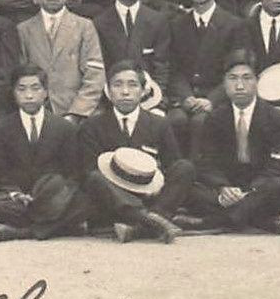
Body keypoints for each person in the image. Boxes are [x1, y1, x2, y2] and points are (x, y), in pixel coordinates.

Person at [0, 64, 90, 240]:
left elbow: (72, 173)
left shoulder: (64, 128)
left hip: (52, 197)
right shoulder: (1, 128)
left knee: (84, 201)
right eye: (21, 89)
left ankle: (24, 231)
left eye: (35, 88)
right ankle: (58, 226)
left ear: (46, 92)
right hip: (16, 200)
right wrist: (15, 193)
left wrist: (53, 195)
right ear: (14, 93)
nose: (29, 95)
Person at [81, 61, 197, 243]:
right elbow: (87, 172)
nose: (125, 92)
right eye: (117, 85)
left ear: (143, 91)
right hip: (113, 201)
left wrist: (155, 187)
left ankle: (140, 226)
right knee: (94, 177)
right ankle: (152, 222)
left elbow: (171, 164)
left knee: (184, 168)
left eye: (132, 85)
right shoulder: (93, 125)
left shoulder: (159, 123)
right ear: (108, 91)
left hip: (152, 198)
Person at [187, 49, 280, 233]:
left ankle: (218, 222)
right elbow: (206, 162)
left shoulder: (276, 118)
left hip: (260, 186)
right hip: (229, 185)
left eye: (247, 78)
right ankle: (259, 219)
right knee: (189, 188)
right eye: (233, 78)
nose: (239, 86)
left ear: (257, 81)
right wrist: (223, 187)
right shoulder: (215, 118)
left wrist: (251, 191)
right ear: (224, 83)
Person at [165, 0, 244, 150]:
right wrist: (185, 97)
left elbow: (237, 71)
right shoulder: (176, 24)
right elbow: (173, 68)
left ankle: (200, 175)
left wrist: (212, 100)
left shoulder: (234, 25)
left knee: (201, 122)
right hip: (185, 98)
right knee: (175, 120)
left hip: (218, 98)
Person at [15, 0, 104, 120]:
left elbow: (94, 76)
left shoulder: (84, 27)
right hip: (36, 115)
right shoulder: (23, 29)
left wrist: (76, 113)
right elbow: (20, 77)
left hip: (77, 114)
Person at [90, 0, 171, 93]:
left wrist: (156, 96)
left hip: (150, 96)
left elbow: (162, 67)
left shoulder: (158, 21)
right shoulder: (99, 23)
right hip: (111, 97)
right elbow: (98, 69)